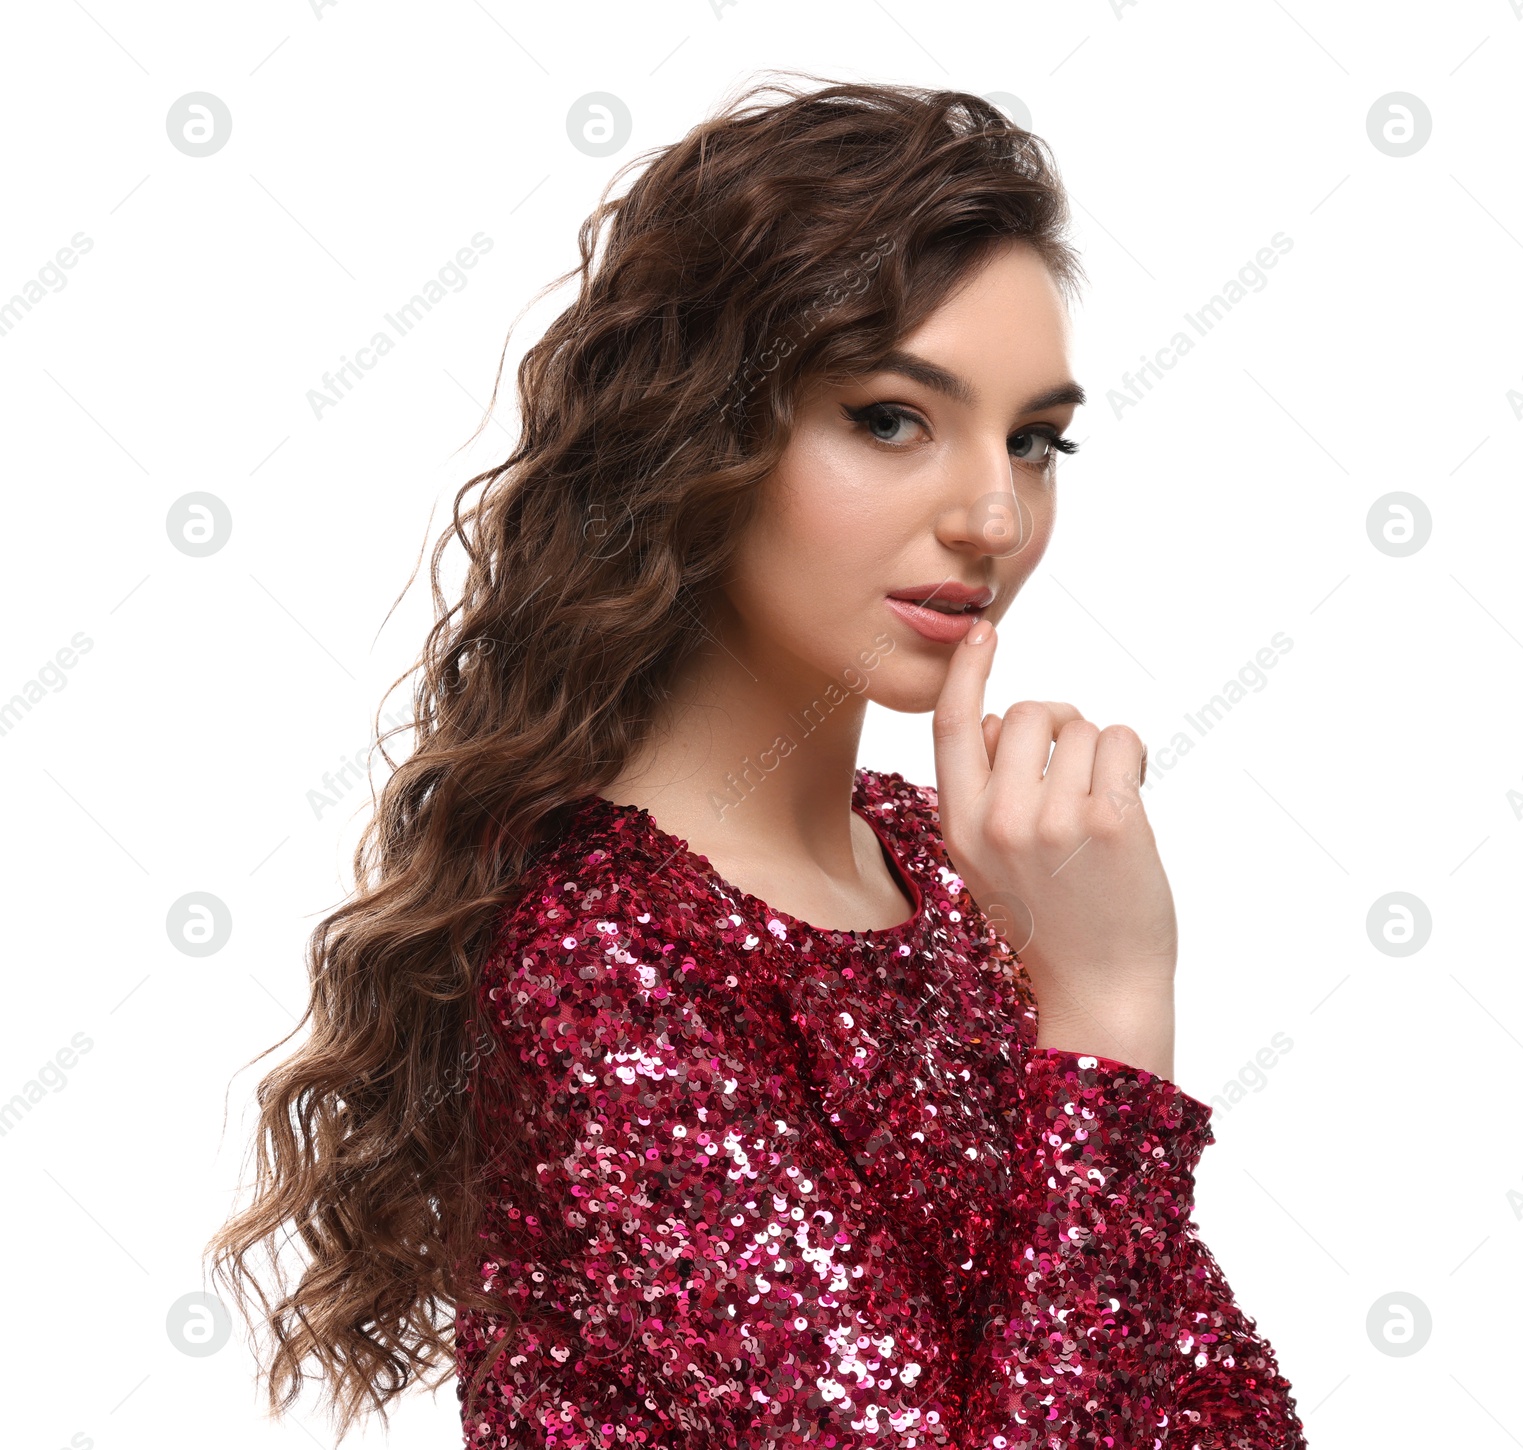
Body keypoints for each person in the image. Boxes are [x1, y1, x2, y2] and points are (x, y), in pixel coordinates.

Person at [207, 75, 1307, 1448]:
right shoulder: (601, 953)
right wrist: (1111, 1012)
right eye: (893, 416)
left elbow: (1227, 1414)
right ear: (701, 438)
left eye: (1034, 440)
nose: (993, 513)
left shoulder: (951, 880)